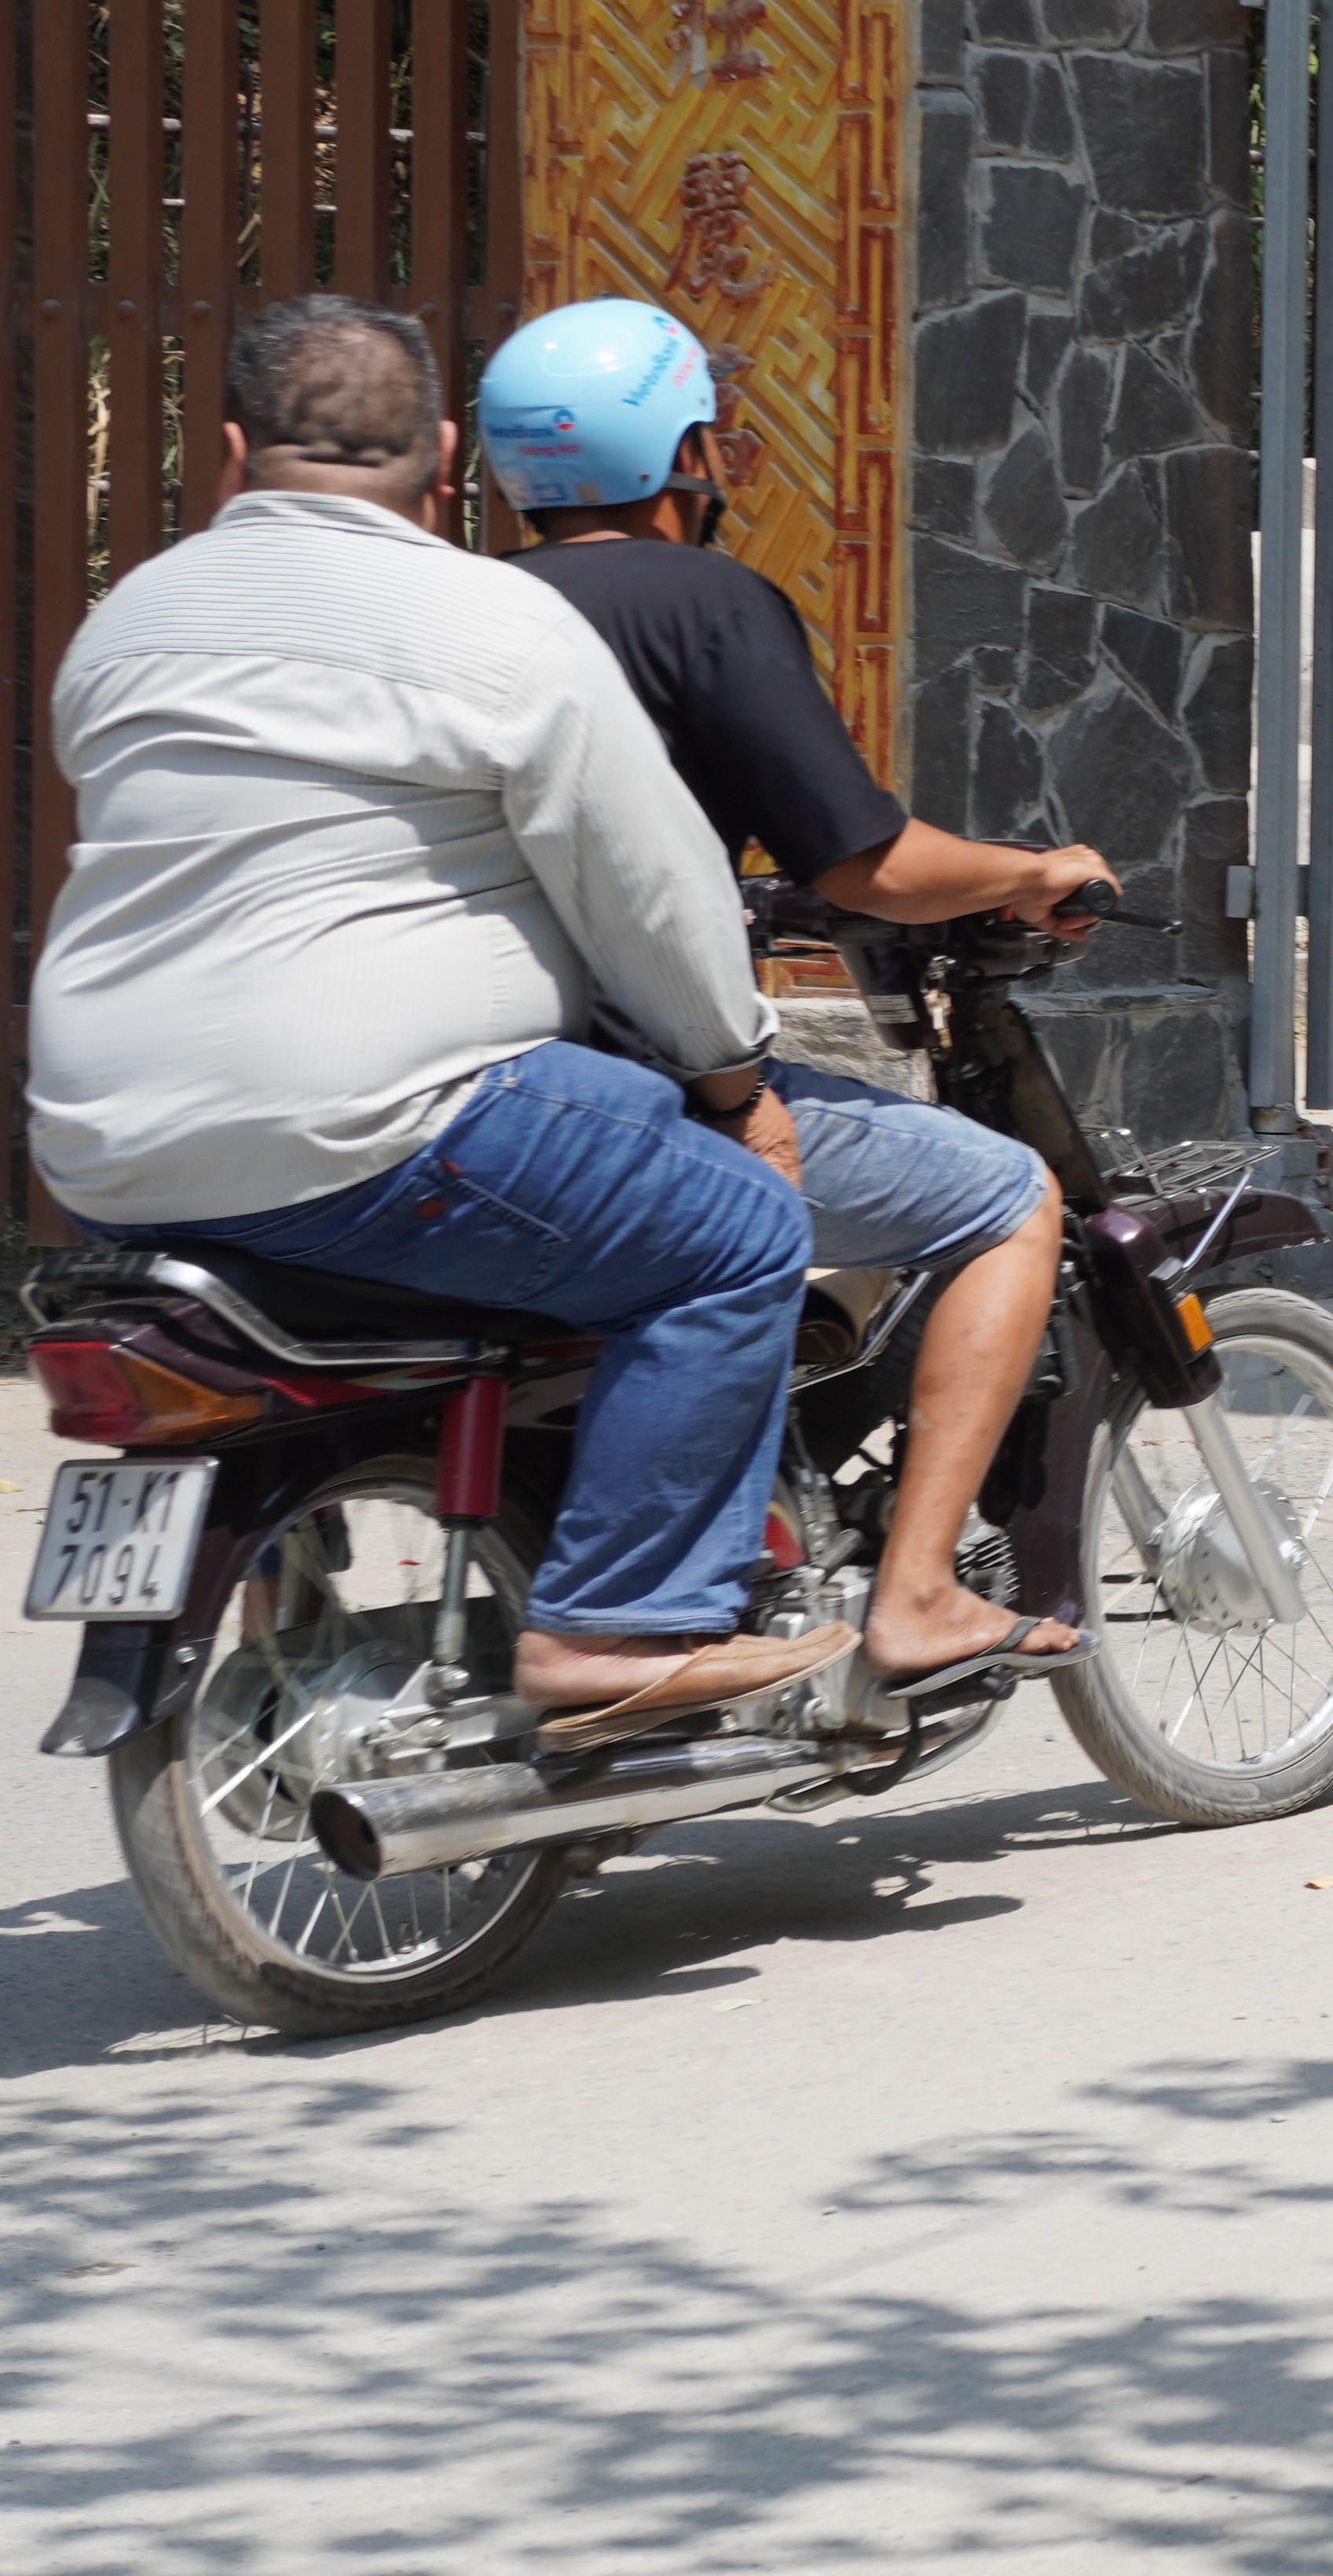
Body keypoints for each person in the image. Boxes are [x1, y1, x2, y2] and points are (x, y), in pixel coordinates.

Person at [27, 296, 839, 1745]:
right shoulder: (495, 622)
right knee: (736, 1232)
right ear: (445, 460)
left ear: (231, 452)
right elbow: (652, 890)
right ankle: (620, 1629)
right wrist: (732, 1081)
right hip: (376, 1122)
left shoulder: (127, 620)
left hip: (100, 1141)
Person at [478, 295, 1112, 1694]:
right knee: (1005, 1197)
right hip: (644, 1078)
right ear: (689, 451)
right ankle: (922, 1594)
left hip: (479, 1082)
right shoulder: (704, 604)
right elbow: (871, 863)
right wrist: (1026, 871)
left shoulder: (475, 603)